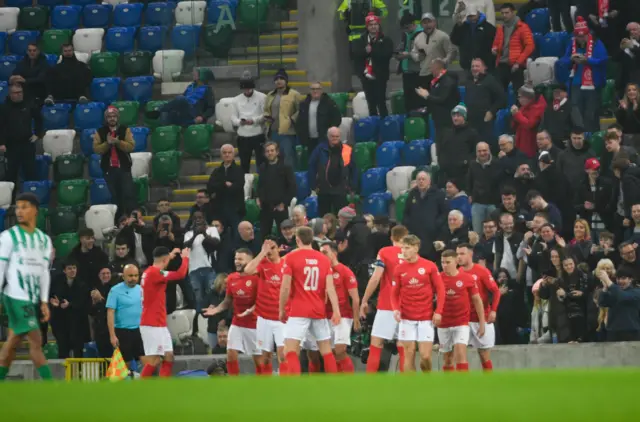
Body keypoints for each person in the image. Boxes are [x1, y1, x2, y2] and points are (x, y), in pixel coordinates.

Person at [0, 193, 53, 381]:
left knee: (13, 342)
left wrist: (44, 301)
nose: (19, 211)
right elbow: (1, 266)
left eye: (24, 207)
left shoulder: (44, 240)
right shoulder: (8, 236)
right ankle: (52, 387)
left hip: (31, 299)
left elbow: (44, 272)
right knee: (36, 340)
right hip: (15, 295)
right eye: (17, 207)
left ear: (35, 210)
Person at [278, 226, 341, 375]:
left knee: (291, 349)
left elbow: (285, 287)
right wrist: (336, 311)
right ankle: (335, 384)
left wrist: (281, 309)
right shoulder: (323, 259)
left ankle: (293, 385)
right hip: (318, 309)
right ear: (312, 239)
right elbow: (330, 288)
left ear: (297, 239)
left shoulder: (291, 258)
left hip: (299, 310)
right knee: (326, 349)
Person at [391, 235, 445, 372]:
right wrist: (395, 309)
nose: (403, 251)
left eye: (407, 248)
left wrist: (438, 311)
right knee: (408, 355)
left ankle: (426, 381)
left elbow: (440, 290)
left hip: (426, 317)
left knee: (425, 356)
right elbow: (394, 293)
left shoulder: (429, 266)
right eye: (402, 248)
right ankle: (412, 389)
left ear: (416, 248)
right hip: (406, 318)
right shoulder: (399, 269)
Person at [203, 249, 261, 375]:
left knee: (259, 360)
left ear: (250, 261)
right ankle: (233, 383)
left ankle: (264, 385)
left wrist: (251, 310)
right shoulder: (231, 278)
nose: (237, 262)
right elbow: (227, 301)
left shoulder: (257, 278)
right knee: (231, 353)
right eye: (236, 259)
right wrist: (216, 310)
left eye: (240, 259)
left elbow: (261, 300)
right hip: (237, 322)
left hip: (255, 324)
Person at [360, 225, 409, 373]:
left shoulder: (385, 252)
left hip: (387, 305)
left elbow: (376, 278)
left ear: (392, 238)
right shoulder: (413, 255)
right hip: (407, 307)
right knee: (403, 345)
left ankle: (370, 384)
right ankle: (408, 386)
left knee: (377, 343)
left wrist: (364, 300)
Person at [139, 247, 190, 378]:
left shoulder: (150, 272)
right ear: (164, 259)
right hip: (152, 323)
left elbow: (164, 265)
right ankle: (138, 391)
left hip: (158, 323)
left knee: (168, 356)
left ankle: (163, 388)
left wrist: (170, 256)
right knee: (154, 360)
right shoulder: (155, 273)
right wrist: (185, 257)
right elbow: (180, 274)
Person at [243, 239, 286, 375]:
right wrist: (262, 253)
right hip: (264, 318)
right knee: (265, 357)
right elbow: (247, 270)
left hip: (282, 318)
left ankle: (287, 386)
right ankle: (265, 386)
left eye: (272, 248)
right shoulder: (262, 264)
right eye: (267, 248)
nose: (269, 251)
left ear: (279, 249)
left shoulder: (287, 265)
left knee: (283, 354)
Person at [559, 17, 608, 133]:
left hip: (592, 84)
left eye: (583, 36)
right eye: (578, 36)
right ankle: (579, 137)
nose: (580, 39)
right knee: (577, 113)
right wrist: (570, 59)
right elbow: (563, 61)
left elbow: (603, 60)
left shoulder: (597, 43)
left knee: (590, 113)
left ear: (588, 34)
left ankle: (592, 138)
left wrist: (588, 60)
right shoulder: (572, 44)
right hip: (576, 83)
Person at [438, 249, 485, 371]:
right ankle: (450, 386)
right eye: (442, 262)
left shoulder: (467, 278)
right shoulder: (437, 278)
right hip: (443, 323)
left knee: (461, 354)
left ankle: (463, 387)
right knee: (448, 359)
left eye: (447, 262)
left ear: (456, 262)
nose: (444, 265)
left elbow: (477, 300)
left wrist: (482, 323)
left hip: (461, 322)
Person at [457, 244, 500, 370]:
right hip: (463, 320)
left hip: (481, 318)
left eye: (462, 254)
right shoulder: (457, 272)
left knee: (484, 354)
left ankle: (488, 383)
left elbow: (496, 291)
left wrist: (493, 310)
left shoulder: (481, 271)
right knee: (459, 353)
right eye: (457, 254)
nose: (459, 257)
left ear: (470, 254)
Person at [320, 242, 360, 373]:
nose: (322, 255)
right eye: (320, 252)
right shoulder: (321, 272)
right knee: (330, 352)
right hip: (325, 316)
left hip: (343, 315)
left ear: (334, 253)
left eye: (325, 252)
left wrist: (356, 319)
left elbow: (355, 298)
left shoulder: (345, 271)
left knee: (340, 350)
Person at [92, 105, 137, 222]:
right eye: (109, 116)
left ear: (117, 118)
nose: (112, 118)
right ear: (106, 118)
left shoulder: (124, 130)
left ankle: (133, 220)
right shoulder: (100, 132)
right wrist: (107, 143)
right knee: (115, 197)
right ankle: (119, 222)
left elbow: (131, 146)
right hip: (109, 169)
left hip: (124, 168)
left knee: (128, 195)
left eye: (114, 116)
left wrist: (117, 142)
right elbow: (96, 149)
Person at [0, 84, 43, 195]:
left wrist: (38, 134)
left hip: (27, 144)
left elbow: (39, 118)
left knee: (31, 173)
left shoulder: (29, 105)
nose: (19, 95)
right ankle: (10, 202)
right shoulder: (4, 108)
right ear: (10, 94)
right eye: (16, 93)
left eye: (20, 92)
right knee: (10, 176)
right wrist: (2, 143)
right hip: (11, 146)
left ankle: (32, 200)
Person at [352, 12, 394, 117]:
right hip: (366, 75)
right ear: (367, 27)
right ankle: (373, 123)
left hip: (380, 75)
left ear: (379, 26)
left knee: (381, 101)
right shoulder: (361, 40)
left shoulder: (385, 39)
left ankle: (384, 124)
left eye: (375, 24)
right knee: (371, 102)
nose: (373, 27)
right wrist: (365, 51)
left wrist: (372, 51)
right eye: (371, 25)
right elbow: (355, 54)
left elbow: (387, 54)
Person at [308, 127, 357, 216]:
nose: (334, 138)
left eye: (337, 136)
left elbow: (354, 169)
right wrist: (313, 185)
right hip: (323, 190)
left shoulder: (347, 149)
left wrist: (352, 187)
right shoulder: (320, 149)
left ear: (340, 137)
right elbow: (311, 166)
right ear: (328, 136)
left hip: (341, 190)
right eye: (332, 136)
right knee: (324, 218)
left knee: (342, 217)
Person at [106, 264, 144, 371]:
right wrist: (112, 335)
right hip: (123, 332)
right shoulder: (115, 291)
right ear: (123, 276)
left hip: (139, 331)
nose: (134, 278)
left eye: (136, 276)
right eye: (130, 276)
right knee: (124, 365)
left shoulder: (141, 289)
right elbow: (110, 312)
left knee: (146, 361)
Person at [50, 260, 90, 359]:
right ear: (64, 270)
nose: (72, 270)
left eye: (74, 268)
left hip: (77, 323)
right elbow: (51, 296)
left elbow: (84, 302)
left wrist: (70, 304)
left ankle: (79, 373)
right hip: (61, 321)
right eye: (69, 268)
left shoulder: (82, 284)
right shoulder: (57, 282)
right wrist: (53, 303)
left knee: (78, 349)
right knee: (63, 348)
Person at [491, 3, 535, 92]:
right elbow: (496, 43)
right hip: (502, 63)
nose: (504, 15)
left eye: (507, 13)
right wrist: (494, 49)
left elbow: (530, 46)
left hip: (516, 64)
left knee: (518, 92)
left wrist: (518, 62)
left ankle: (518, 106)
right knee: (499, 91)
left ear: (513, 13)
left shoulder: (522, 27)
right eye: (502, 13)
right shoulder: (500, 28)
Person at [257, 142, 296, 242]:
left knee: (283, 234)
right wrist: (258, 197)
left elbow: (292, 187)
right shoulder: (262, 167)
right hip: (265, 206)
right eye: (267, 151)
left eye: (272, 150)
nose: (270, 153)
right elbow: (260, 185)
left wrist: (284, 203)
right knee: (264, 235)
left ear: (277, 152)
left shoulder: (286, 166)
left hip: (280, 206)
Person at [403, 171, 448, 258]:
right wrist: (408, 225)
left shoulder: (438, 194)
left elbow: (444, 213)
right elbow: (406, 212)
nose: (421, 181)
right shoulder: (412, 194)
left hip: (432, 234)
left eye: (423, 179)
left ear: (429, 181)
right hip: (415, 233)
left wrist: (435, 224)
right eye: (419, 179)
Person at [461, 58, 506, 144]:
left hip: (484, 120)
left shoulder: (490, 80)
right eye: (473, 66)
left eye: (477, 66)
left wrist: (491, 111)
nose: (474, 68)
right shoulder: (468, 81)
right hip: (470, 120)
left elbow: (502, 98)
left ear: (484, 68)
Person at [183, 217, 220, 320]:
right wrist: (195, 234)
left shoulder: (211, 230)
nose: (198, 224)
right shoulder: (188, 234)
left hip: (209, 268)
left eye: (201, 221)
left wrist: (204, 233)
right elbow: (186, 246)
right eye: (196, 222)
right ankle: (200, 323)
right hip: (193, 270)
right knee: (198, 297)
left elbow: (216, 243)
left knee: (211, 294)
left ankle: (212, 319)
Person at [264, 68, 301, 167]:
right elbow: (266, 109)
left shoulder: (294, 94)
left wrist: (292, 120)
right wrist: (266, 117)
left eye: (281, 78)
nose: (279, 81)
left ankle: (290, 180)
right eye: (276, 79)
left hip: (288, 132)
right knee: (273, 158)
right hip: (273, 131)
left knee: (288, 157)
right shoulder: (270, 95)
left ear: (286, 80)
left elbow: (300, 110)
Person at [231, 71, 266, 174]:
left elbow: (265, 114)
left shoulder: (262, 97)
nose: (247, 91)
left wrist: (254, 120)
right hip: (243, 136)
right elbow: (233, 117)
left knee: (261, 163)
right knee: (244, 164)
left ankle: (261, 185)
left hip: (258, 134)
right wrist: (239, 122)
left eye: (249, 88)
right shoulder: (236, 100)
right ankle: (245, 186)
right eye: (245, 89)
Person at [415, 58, 460, 140]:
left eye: (431, 68)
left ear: (437, 68)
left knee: (446, 142)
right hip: (438, 119)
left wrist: (427, 96)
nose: (431, 70)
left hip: (447, 120)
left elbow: (442, 99)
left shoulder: (447, 81)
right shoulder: (437, 81)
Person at [207, 144, 245, 237]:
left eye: (229, 153)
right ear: (221, 155)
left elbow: (237, 187)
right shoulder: (216, 171)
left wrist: (220, 187)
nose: (227, 155)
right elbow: (210, 186)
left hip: (235, 209)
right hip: (219, 209)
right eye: (224, 153)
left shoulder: (239, 170)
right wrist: (225, 184)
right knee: (219, 235)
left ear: (233, 154)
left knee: (236, 235)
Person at [437, 104, 479, 187]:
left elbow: (475, 151)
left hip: (464, 174)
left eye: (458, 115)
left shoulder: (472, 133)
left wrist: (466, 162)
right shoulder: (446, 133)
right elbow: (440, 150)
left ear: (464, 117)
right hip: (447, 174)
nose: (455, 118)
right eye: (454, 115)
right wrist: (442, 162)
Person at [296, 82, 342, 154]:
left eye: (317, 89)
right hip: (309, 140)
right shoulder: (304, 104)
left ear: (321, 90)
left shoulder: (329, 103)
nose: (315, 91)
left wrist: (329, 133)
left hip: (324, 139)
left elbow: (337, 119)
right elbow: (300, 121)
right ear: (310, 91)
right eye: (313, 89)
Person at [411, 13, 456, 86]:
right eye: (424, 23)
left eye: (429, 22)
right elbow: (413, 52)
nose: (427, 25)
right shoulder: (418, 38)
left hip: (439, 74)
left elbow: (451, 51)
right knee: (425, 96)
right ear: (421, 25)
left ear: (434, 22)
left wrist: (443, 61)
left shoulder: (442, 36)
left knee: (437, 96)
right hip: (424, 73)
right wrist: (418, 57)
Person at [596, 267, 640, 341]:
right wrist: (605, 288)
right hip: (613, 332)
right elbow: (602, 302)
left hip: (631, 332)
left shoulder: (636, 292)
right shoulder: (615, 291)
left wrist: (608, 280)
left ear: (630, 279)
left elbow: (622, 296)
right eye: (618, 278)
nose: (620, 281)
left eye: (623, 278)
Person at [450, 5, 497, 73]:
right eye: (469, 16)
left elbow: (493, 45)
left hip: (484, 66)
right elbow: (454, 40)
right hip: (467, 66)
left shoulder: (489, 28)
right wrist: (458, 27)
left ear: (478, 13)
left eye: (473, 15)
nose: (472, 18)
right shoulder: (462, 27)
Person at [468, 142, 499, 234]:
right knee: (477, 233)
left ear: (489, 151)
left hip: (493, 203)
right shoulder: (472, 164)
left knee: (494, 232)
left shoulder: (497, 163)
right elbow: (469, 181)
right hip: (477, 203)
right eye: (479, 151)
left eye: (484, 150)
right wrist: (470, 194)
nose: (482, 153)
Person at [396, 13, 423, 113]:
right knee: (408, 99)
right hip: (406, 71)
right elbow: (402, 46)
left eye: (407, 27)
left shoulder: (421, 34)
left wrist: (408, 55)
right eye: (404, 28)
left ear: (413, 24)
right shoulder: (406, 34)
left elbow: (422, 54)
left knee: (418, 99)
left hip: (417, 71)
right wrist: (397, 54)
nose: (406, 30)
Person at [511, 84, 547, 158]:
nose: (518, 99)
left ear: (527, 97)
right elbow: (513, 126)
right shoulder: (523, 108)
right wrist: (514, 115)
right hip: (520, 144)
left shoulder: (538, 108)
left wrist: (517, 114)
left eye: (520, 97)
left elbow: (530, 124)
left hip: (530, 145)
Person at [558, 128, 597, 193]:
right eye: (574, 138)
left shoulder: (591, 154)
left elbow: (594, 175)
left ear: (583, 138)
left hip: (585, 191)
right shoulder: (562, 155)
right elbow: (559, 173)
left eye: (579, 138)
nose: (576, 141)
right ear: (570, 138)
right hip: (567, 191)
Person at [541, 84, 577, 148]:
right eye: (554, 92)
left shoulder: (572, 107)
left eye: (559, 92)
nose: (556, 93)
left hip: (565, 144)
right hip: (550, 143)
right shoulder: (549, 107)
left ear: (566, 93)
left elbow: (577, 126)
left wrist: (571, 140)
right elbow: (544, 124)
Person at [616, 83, 640, 149]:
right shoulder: (623, 106)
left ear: (638, 91)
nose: (631, 92)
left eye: (634, 90)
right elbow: (619, 124)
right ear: (626, 93)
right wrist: (623, 110)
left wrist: (636, 111)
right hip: (626, 137)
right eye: (629, 90)